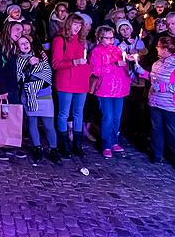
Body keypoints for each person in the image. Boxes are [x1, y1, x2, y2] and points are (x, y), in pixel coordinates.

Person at [135, 34, 175, 169]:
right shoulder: (157, 63)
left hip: (172, 106)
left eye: (159, 47)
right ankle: (158, 155)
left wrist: (162, 87)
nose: (157, 49)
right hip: (156, 103)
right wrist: (143, 73)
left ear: (166, 49)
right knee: (157, 130)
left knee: (174, 132)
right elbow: (154, 80)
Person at [51, 14, 91, 159]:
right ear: (69, 24)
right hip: (66, 81)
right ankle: (64, 145)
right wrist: (74, 62)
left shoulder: (81, 41)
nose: (77, 27)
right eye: (75, 24)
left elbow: (84, 61)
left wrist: (88, 69)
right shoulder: (59, 39)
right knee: (63, 113)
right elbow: (56, 64)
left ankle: (77, 145)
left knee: (78, 113)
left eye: (79, 25)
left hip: (81, 81)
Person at [15, 35, 60, 164]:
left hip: (44, 93)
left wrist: (33, 77)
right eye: (21, 43)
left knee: (48, 125)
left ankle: (53, 149)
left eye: (26, 42)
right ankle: (37, 148)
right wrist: (29, 67)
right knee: (32, 122)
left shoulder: (41, 55)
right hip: (29, 95)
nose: (25, 45)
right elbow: (19, 77)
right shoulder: (18, 60)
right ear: (18, 47)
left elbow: (47, 72)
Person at [89, 25, 132, 158]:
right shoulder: (96, 51)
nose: (110, 41)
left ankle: (114, 141)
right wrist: (113, 65)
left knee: (117, 116)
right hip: (105, 89)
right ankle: (106, 144)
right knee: (107, 116)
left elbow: (124, 66)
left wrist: (128, 62)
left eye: (111, 38)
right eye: (106, 38)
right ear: (99, 38)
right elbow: (95, 70)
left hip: (119, 88)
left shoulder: (117, 49)